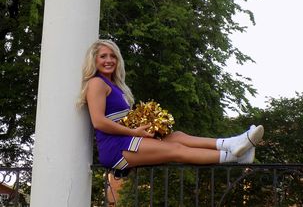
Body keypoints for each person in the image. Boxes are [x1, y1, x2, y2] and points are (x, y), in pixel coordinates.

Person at [78, 39, 264, 171]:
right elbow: (99, 122)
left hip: (126, 140)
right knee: (176, 151)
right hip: (114, 147)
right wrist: (134, 132)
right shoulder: (96, 83)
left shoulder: (115, 86)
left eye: (113, 56)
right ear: (94, 60)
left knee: (177, 136)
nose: (109, 60)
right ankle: (235, 156)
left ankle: (231, 144)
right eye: (103, 56)